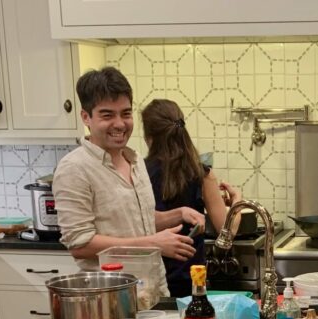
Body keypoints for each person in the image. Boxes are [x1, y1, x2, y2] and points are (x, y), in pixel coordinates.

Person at [52, 67, 202, 303]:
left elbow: (136, 219)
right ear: (85, 117)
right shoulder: (74, 168)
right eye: (107, 115)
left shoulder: (134, 160)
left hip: (153, 294)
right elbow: (80, 244)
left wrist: (178, 214)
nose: (120, 124)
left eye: (126, 113)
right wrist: (153, 244)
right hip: (109, 300)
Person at [141, 98, 243, 297]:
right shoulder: (201, 174)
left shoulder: (139, 173)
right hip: (192, 279)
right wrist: (237, 200)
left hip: (150, 279)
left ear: (148, 136)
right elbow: (227, 233)